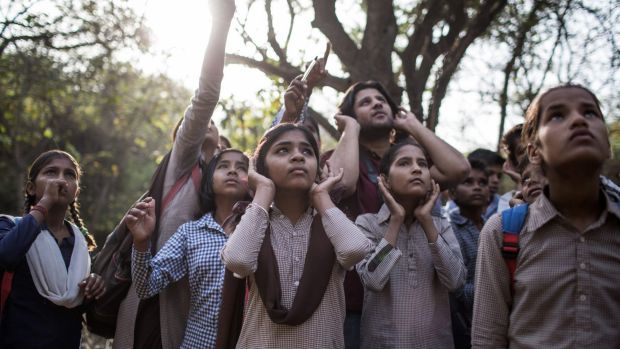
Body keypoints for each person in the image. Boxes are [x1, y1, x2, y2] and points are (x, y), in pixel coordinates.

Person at [113, 1, 236, 348]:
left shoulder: (229, 182)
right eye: (198, 122)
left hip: (200, 311)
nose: (205, 122)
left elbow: (265, 154)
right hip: (156, 300)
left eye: (213, 122)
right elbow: (207, 94)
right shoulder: (183, 164)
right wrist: (220, 23)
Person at [323, 80, 470, 348]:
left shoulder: (412, 167)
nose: (377, 104)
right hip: (360, 298)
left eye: (381, 100)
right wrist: (351, 130)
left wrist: (412, 125)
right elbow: (343, 183)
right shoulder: (340, 155)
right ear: (385, 182)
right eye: (365, 102)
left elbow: (458, 169)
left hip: (425, 307)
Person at [472, 84, 620, 348]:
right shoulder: (503, 232)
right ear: (533, 152)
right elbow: (487, 339)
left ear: (607, 146)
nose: (578, 120)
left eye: (590, 113)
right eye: (558, 116)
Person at [221, 123, 372, 348]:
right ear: (262, 169)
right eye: (283, 150)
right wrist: (262, 190)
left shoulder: (330, 220)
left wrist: (321, 195)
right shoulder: (255, 220)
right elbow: (239, 261)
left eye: (307, 151)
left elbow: (355, 250)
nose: (298, 157)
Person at [126, 150, 249, 349]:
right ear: (210, 181)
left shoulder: (263, 228)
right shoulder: (190, 233)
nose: (233, 171)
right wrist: (141, 242)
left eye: (242, 167)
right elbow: (146, 286)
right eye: (224, 166)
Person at [355, 140, 466, 348]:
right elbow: (372, 279)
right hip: (383, 343)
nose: (416, 169)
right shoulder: (367, 224)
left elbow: (456, 281)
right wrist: (396, 219)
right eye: (404, 163)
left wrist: (427, 221)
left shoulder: (441, 226)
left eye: (422, 164)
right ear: (385, 181)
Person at [0, 150, 105, 348]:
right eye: (51, 172)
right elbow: (7, 255)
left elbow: (77, 305)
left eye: (69, 175)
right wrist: (45, 202)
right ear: (31, 188)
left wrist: (93, 285)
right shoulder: (8, 227)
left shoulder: (80, 245)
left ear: (76, 191)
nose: (61, 180)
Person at [447, 159, 490, 349]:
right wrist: (496, 288)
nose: (477, 188)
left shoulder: (495, 225)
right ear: (452, 192)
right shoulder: (451, 230)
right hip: (468, 326)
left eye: (482, 183)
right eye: (468, 182)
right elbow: (457, 289)